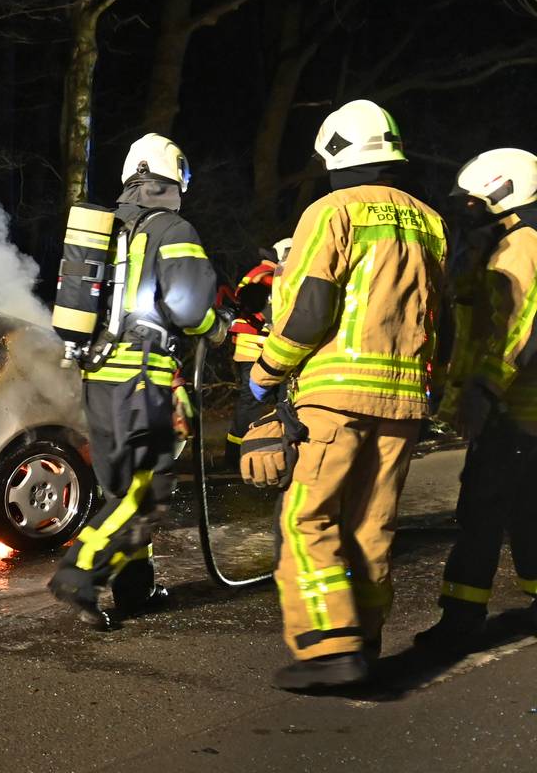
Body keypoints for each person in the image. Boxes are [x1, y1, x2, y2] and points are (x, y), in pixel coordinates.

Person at [248, 99, 446, 690]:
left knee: (308, 518)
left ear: (333, 153)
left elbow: (309, 309)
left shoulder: (331, 211)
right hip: (407, 400)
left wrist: (265, 374)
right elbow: (444, 323)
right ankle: (366, 643)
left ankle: (330, 647)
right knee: (372, 525)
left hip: (336, 395)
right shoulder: (430, 221)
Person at [49, 133, 223, 629]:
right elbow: (190, 308)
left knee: (121, 488)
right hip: (142, 378)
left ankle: (135, 588)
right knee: (145, 489)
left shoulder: (108, 227)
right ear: (174, 179)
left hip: (99, 374)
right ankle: (80, 572)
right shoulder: (173, 228)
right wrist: (220, 326)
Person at [415, 148, 537, 652]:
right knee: (526, 509)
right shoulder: (502, 247)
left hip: (515, 410)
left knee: (482, 509)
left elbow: (518, 331)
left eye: (473, 201)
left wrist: (483, 390)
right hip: (517, 409)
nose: (466, 212)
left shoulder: (521, 247)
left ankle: (461, 619)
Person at [225, 239, 291, 467]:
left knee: (251, 402)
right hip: (258, 349)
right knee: (255, 402)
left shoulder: (258, 272)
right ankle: (237, 457)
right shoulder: (267, 275)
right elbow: (269, 311)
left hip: (252, 349)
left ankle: (235, 455)